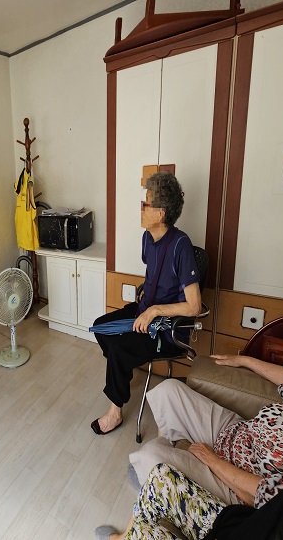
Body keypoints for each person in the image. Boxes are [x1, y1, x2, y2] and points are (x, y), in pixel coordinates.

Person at [96, 303, 283, 540]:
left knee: (151, 458)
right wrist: (247, 361)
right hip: (239, 434)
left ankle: (159, 476)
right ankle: (168, 464)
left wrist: (212, 461)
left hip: (237, 481)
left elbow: (275, 498)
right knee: (169, 390)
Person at [92, 172, 202, 435]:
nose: (141, 208)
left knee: (119, 347)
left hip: (166, 328)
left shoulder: (181, 245)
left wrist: (154, 310)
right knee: (100, 327)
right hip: (145, 311)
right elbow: (155, 273)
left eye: (147, 203)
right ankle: (121, 371)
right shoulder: (147, 238)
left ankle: (115, 412)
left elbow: (194, 306)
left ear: (161, 213)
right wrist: (145, 291)